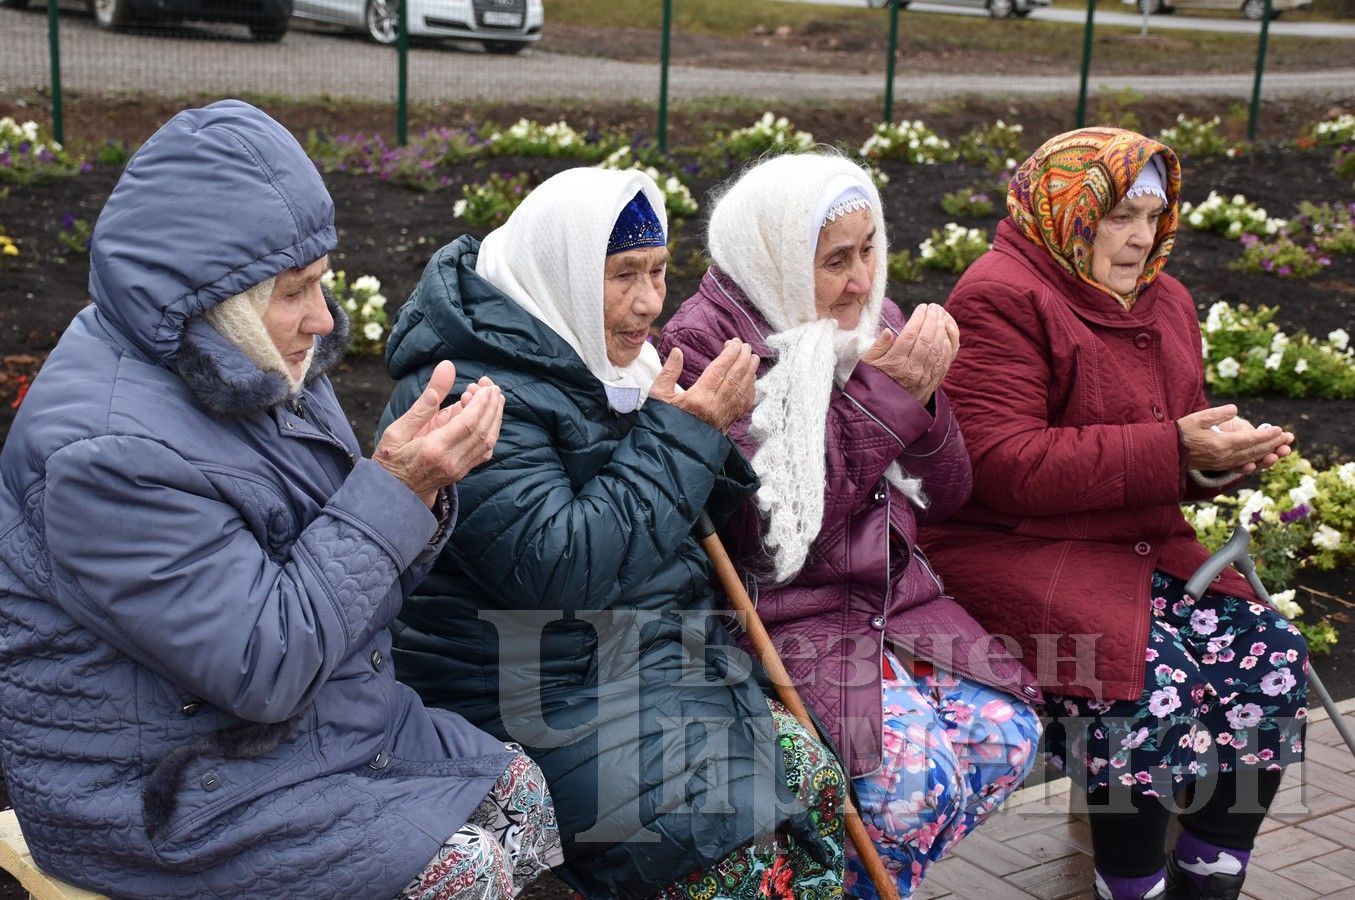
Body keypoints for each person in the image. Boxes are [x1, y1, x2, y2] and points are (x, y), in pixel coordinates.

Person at [0, 100, 563, 899]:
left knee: (523, 799)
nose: (323, 318)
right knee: (462, 871)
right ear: (211, 291)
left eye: (322, 282)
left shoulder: (247, 361)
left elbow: (341, 588)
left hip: (289, 728)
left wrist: (412, 491)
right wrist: (396, 487)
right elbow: (262, 665)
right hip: (161, 787)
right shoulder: (105, 454)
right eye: (295, 291)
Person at [380, 167, 848, 899]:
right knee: (736, 855)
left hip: (641, 670)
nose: (647, 302)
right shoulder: (472, 393)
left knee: (811, 775)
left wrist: (700, 445)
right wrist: (684, 435)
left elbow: (708, 544)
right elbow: (561, 570)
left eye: (659, 272)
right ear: (561, 271)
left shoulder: (607, 365)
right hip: (523, 691)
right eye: (623, 274)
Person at [918, 126, 1307, 900]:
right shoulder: (999, 293)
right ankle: (1130, 885)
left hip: (1135, 549)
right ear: (1067, 211)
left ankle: (1206, 874)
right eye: (1116, 216)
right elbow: (999, 465)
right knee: (1143, 688)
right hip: (1018, 553)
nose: (1137, 239)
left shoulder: (1166, 301)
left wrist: (1212, 461)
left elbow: (1176, 443)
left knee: (1272, 658)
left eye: (1151, 217)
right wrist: (1170, 449)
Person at [658, 152, 1043, 900]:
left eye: (869, 249)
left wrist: (924, 407)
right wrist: (888, 401)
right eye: (837, 260)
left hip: (893, 602)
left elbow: (946, 493)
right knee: (908, 789)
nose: (864, 280)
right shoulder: (710, 349)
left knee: (1004, 736)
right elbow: (765, 542)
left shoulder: (875, 325)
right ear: (773, 256)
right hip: (780, 618)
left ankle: (853, 882)